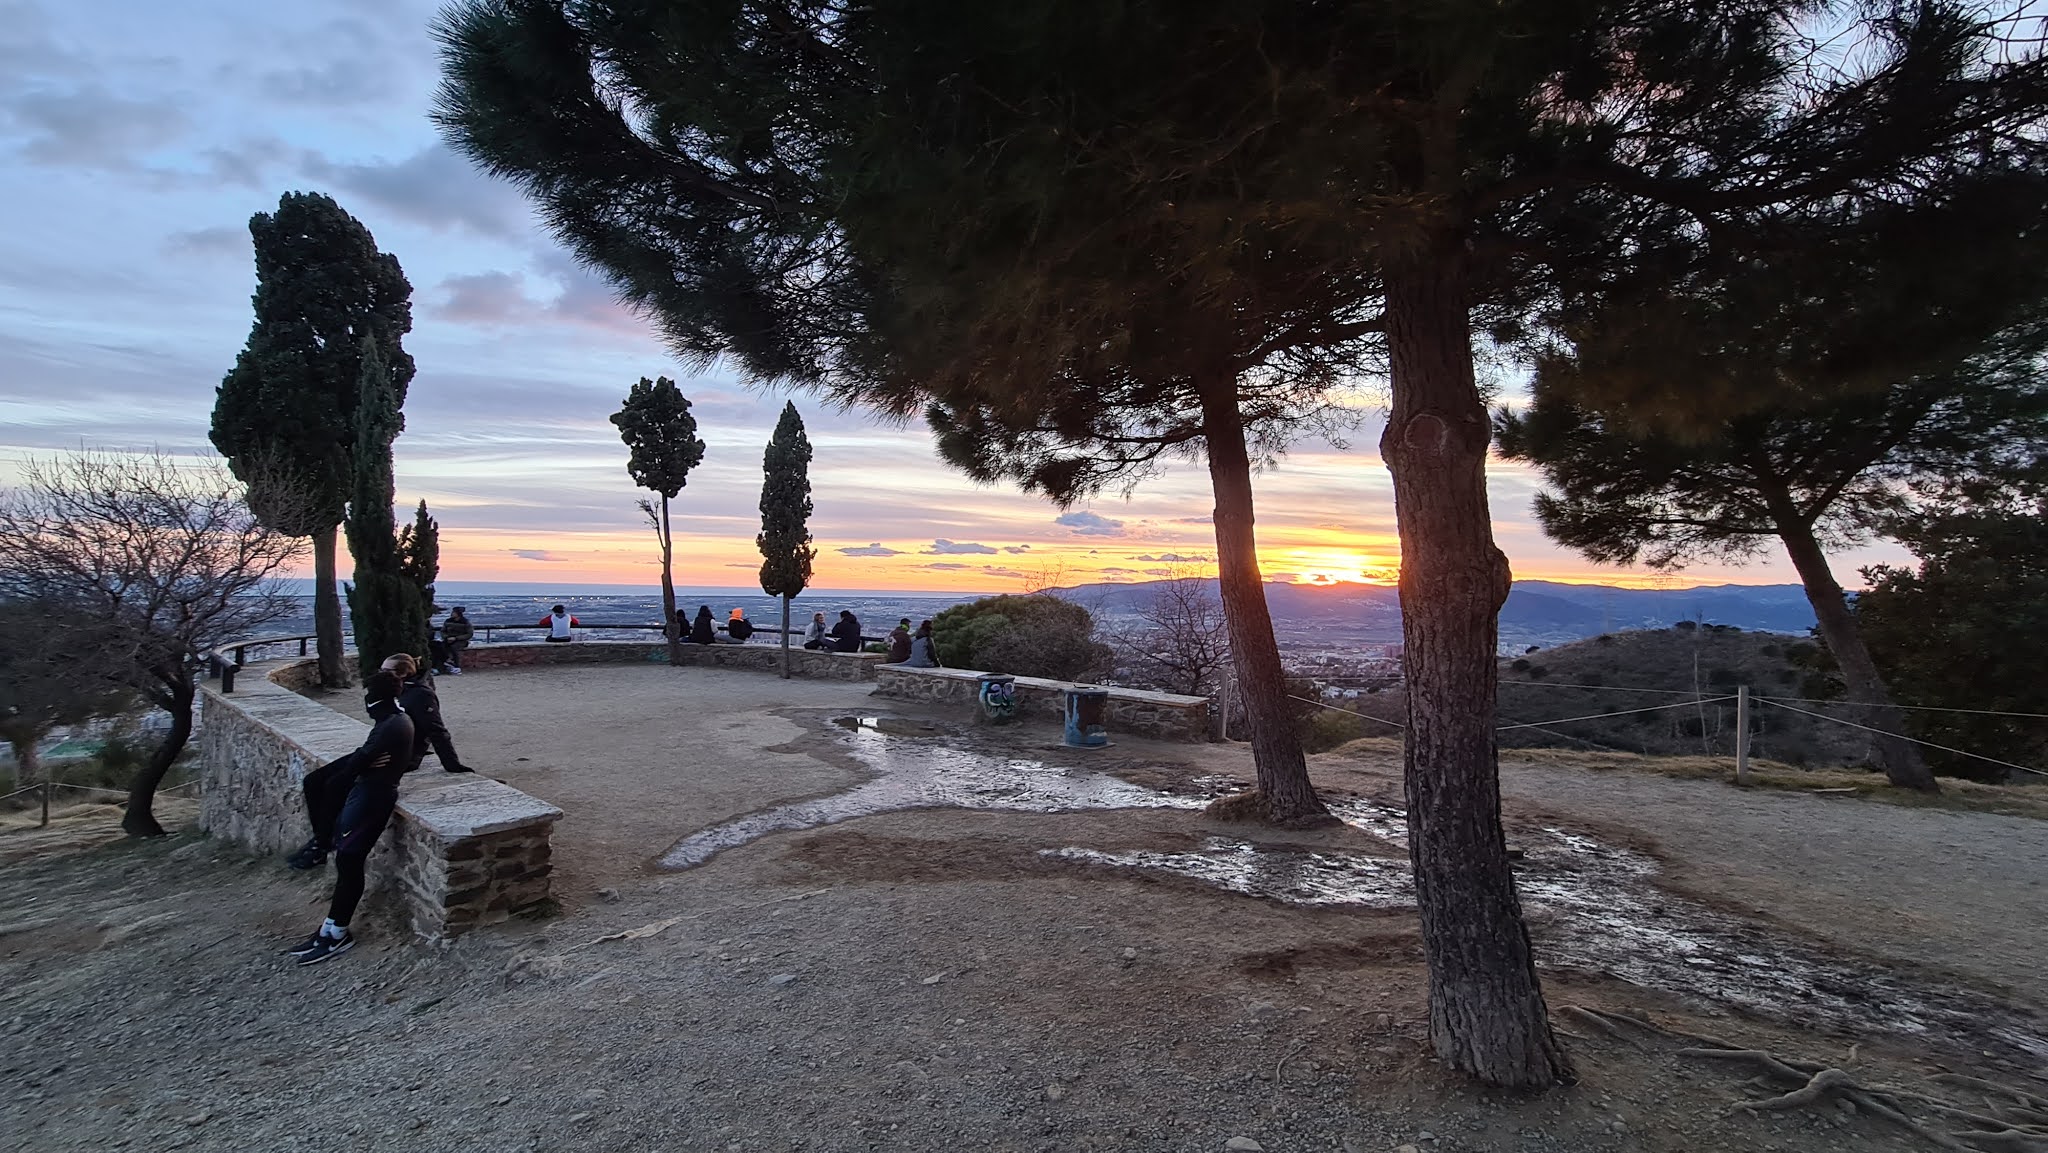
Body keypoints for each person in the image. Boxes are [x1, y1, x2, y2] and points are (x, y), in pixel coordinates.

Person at [283, 670, 415, 965]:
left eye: (368, 693)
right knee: (346, 860)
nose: (365, 699)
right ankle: (330, 927)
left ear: (375, 696)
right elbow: (362, 760)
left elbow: (355, 768)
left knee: (349, 862)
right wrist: (362, 762)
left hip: (373, 799)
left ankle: (338, 933)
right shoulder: (394, 719)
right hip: (368, 794)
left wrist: (361, 764)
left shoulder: (391, 725)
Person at [384, 652, 473, 774]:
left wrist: (452, 765)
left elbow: (436, 730)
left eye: (386, 670)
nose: (382, 674)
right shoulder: (396, 688)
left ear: (403, 673)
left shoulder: (421, 695)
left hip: (404, 754)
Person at [441, 606, 474, 673]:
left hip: (461, 641)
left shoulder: (465, 622)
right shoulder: (448, 621)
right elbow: (443, 631)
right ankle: (444, 663)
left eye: (454, 612)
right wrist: (446, 637)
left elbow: (469, 634)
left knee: (454, 648)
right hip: (448, 639)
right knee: (441, 646)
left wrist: (456, 638)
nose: (452, 614)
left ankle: (456, 666)